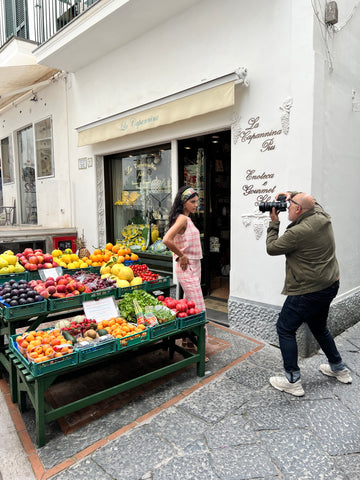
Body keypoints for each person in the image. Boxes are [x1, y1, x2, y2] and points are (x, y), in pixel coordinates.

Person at [265, 190, 352, 397]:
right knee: (319, 327)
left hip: (307, 291)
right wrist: (292, 193)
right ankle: (339, 368)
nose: (286, 208)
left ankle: (292, 381)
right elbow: (313, 202)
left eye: (290, 204)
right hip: (330, 285)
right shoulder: (322, 216)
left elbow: (272, 247)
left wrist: (274, 222)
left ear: (297, 209)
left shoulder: (297, 232)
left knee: (285, 329)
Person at [163, 186, 207, 355]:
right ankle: (200, 348)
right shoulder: (182, 219)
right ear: (184, 203)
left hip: (194, 265)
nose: (196, 205)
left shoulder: (187, 219)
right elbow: (166, 239)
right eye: (193, 202)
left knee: (189, 304)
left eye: (197, 201)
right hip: (186, 266)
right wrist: (181, 255)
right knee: (199, 307)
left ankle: (188, 342)